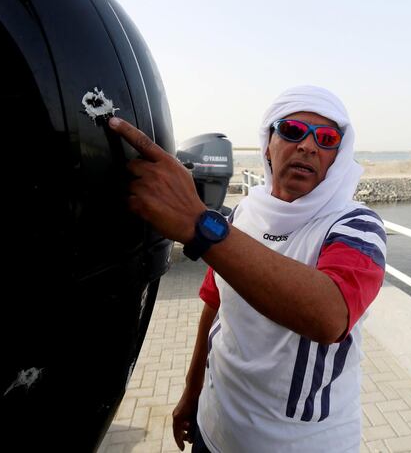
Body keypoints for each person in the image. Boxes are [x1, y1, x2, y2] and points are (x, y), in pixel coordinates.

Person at [108, 85, 386, 452]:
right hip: (214, 427)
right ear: (268, 143)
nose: (307, 145)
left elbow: (329, 316)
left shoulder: (356, 226)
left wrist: (199, 223)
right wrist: (192, 391)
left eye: (327, 138)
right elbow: (214, 303)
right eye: (291, 131)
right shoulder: (243, 214)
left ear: (337, 156)